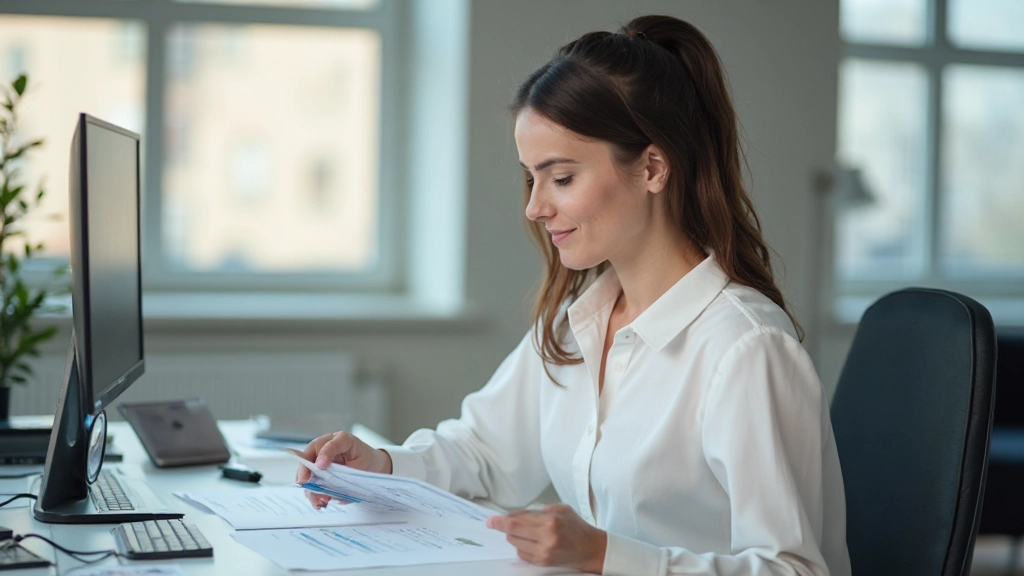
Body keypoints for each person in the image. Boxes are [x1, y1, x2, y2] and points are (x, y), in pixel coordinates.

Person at [297, 14, 851, 576]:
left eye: (561, 178)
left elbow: (794, 569)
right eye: (531, 178)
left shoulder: (746, 350)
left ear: (653, 167)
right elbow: (485, 452)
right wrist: (380, 466)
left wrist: (605, 554)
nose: (535, 207)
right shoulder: (576, 321)